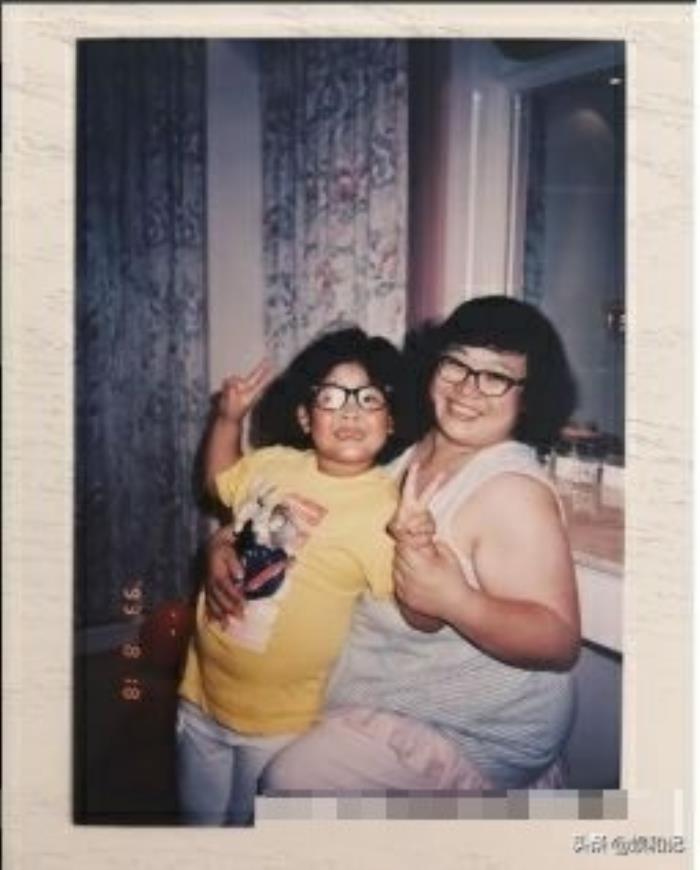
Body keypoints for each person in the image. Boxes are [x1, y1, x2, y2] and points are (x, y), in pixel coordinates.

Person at [204, 295, 581, 794]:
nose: (468, 388)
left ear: (528, 397)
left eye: (496, 376)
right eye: (456, 364)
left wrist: (457, 601)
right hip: (382, 694)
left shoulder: (511, 491)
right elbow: (316, 513)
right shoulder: (407, 449)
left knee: (288, 784)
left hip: (470, 733)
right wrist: (226, 542)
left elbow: (559, 642)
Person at [176, 327, 423, 825]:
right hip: (201, 690)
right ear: (306, 418)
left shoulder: (388, 511)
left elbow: (415, 616)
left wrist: (422, 551)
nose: (350, 412)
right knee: (195, 823)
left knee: (251, 835)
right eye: (331, 397)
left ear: (392, 419)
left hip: (283, 722)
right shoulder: (274, 462)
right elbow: (220, 482)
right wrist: (228, 419)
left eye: (368, 398)